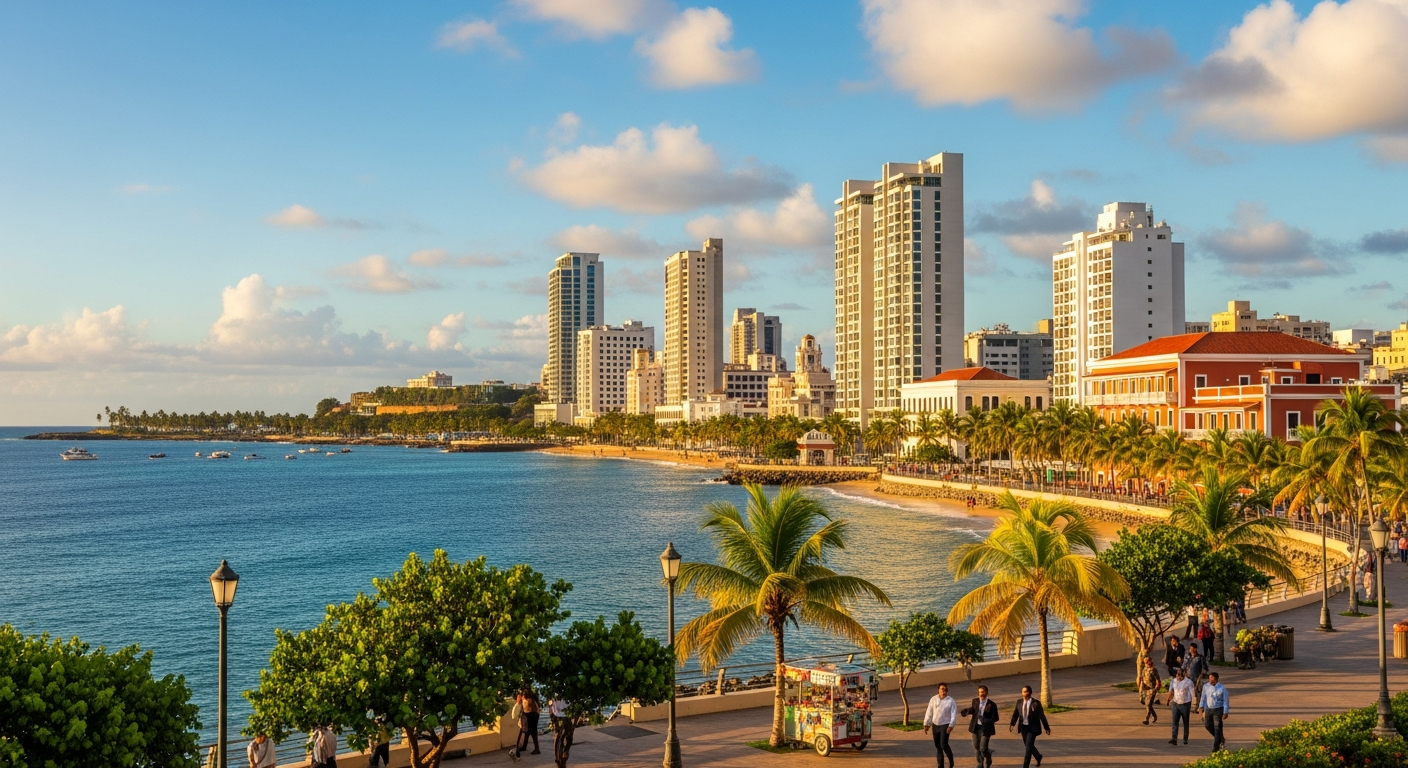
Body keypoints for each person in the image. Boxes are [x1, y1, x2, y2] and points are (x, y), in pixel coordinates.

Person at [1008, 685, 1050, 768]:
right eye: (1023, 692)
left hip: (1032, 728)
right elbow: (1016, 714)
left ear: (1030, 692)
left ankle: (1025, 766)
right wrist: (1012, 724)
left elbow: (1042, 715)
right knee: (1028, 746)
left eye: (1026, 691)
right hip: (1024, 728)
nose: (1024, 693)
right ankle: (1038, 756)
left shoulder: (1036, 703)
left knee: (1028, 749)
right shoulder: (1019, 702)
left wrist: (1046, 727)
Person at [960, 684, 1000, 768]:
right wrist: (967, 711)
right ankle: (980, 763)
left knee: (983, 748)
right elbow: (973, 709)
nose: (981, 694)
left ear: (986, 692)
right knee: (976, 746)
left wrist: (986, 721)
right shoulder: (975, 701)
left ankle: (988, 758)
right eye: (979, 692)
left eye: (982, 692)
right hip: (976, 727)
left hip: (986, 729)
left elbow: (995, 717)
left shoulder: (992, 704)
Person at [923, 682, 958, 768]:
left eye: (945, 690)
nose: (944, 691)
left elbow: (954, 714)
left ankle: (951, 761)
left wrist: (951, 726)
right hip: (935, 725)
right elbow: (929, 712)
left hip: (945, 725)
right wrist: (926, 724)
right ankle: (940, 764)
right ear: (938, 690)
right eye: (942, 689)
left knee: (943, 744)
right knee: (938, 746)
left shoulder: (951, 701)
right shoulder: (933, 699)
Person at [1200, 672, 1230, 753]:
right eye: (1209, 678)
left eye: (1212, 678)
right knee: (1207, 725)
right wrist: (1201, 707)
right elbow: (1203, 697)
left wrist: (1225, 712)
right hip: (1208, 709)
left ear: (1216, 679)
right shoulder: (1206, 686)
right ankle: (1220, 738)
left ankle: (1215, 747)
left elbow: (1226, 701)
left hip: (1218, 710)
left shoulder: (1222, 688)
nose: (1210, 680)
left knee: (1217, 727)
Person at [1166, 667, 1194, 746]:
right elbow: (1171, 691)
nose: (1179, 676)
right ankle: (1174, 738)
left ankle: (1185, 738)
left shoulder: (1188, 682)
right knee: (1175, 721)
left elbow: (1193, 694)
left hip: (1185, 704)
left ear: (1184, 674)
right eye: (1178, 674)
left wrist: (1194, 704)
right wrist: (1168, 700)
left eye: (1180, 674)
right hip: (1175, 703)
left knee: (1185, 722)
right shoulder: (1173, 681)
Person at [1139, 658, 1162, 725]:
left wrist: (1156, 688)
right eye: (1146, 662)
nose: (1147, 663)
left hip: (1152, 689)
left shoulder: (1154, 670)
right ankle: (1154, 715)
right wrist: (1141, 687)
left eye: (1148, 662)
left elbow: (1158, 679)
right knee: (1144, 702)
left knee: (1148, 704)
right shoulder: (1144, 669)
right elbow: (1142, 678)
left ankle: (1147, 719)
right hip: (1145, 688)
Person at [1184, 644, 1207, 712]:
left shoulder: (1200, 657)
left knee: (1198, 693)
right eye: (1190, 648)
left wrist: (1201, 676)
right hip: (1188, 678)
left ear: (1196, 649)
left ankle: (1199, 707)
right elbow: (1183, 666)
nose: (1191, 650)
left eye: (1193, 648)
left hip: (1197, 678)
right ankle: (1188, 707)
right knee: (1187, 692)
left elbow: (1205, 668)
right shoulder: (1187, 657)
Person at [519, 689, 541, 755]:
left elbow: (533, 709)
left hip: (533, 715)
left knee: (533, 732)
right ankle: (524, 746)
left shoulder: (531, 700)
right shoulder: (524, 699)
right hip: (527, 715)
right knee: (527, 732)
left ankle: (537, 749)